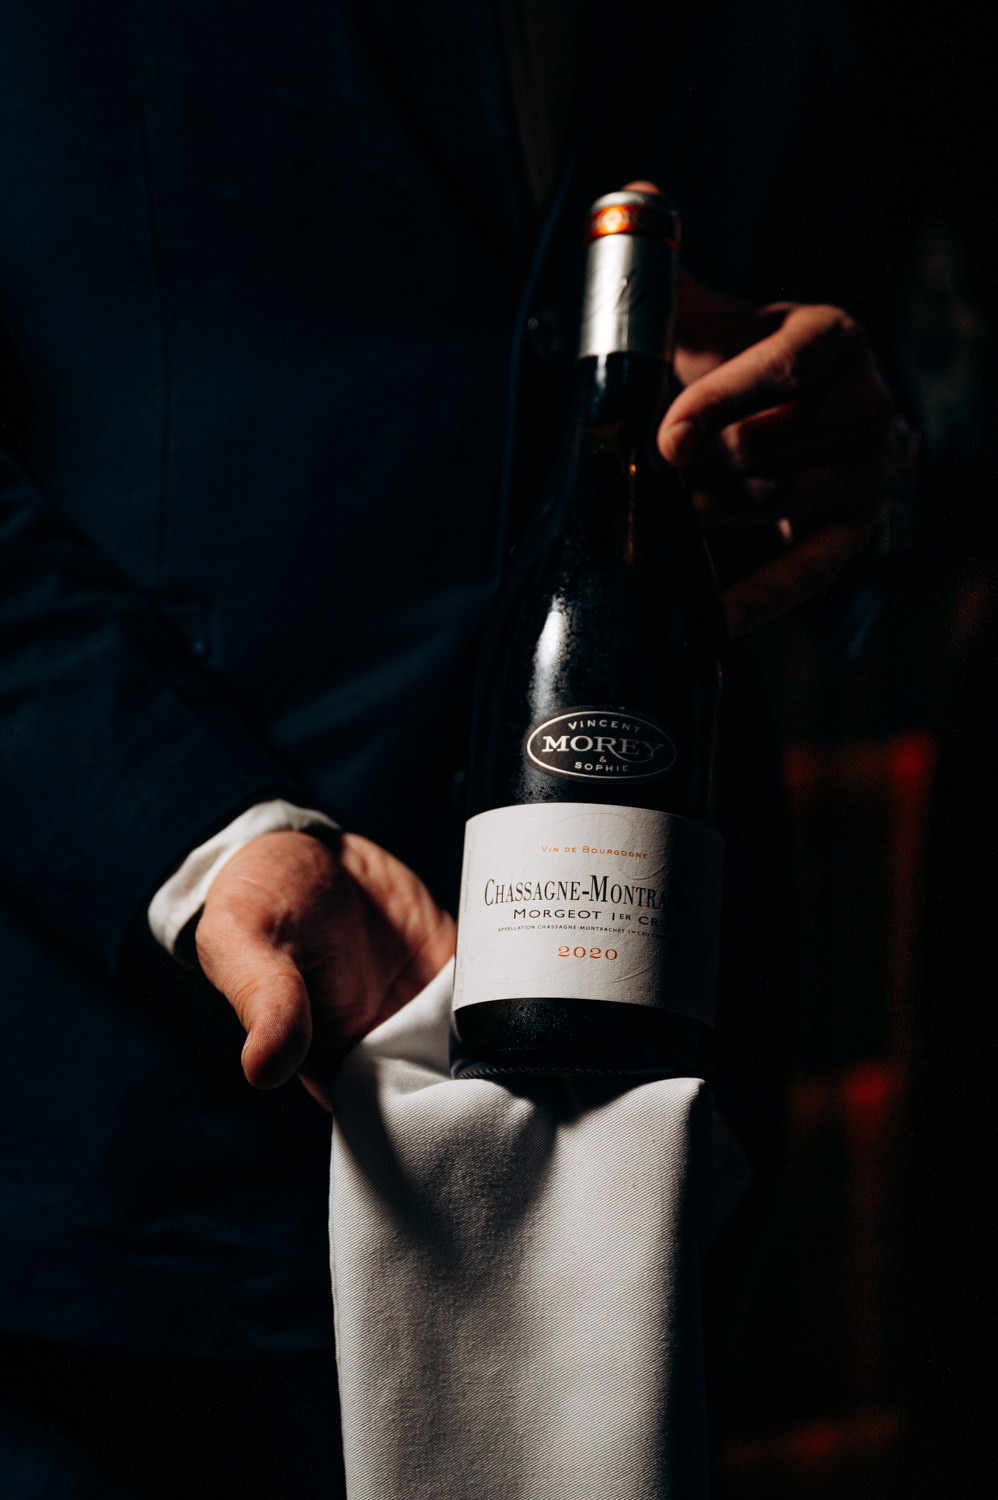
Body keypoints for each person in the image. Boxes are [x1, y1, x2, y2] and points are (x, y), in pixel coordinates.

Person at [0, 2, 911, 1492]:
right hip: (149, 1149)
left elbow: (894, 309)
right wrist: (203, 833)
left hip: (656, 1128)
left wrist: (862, 455)